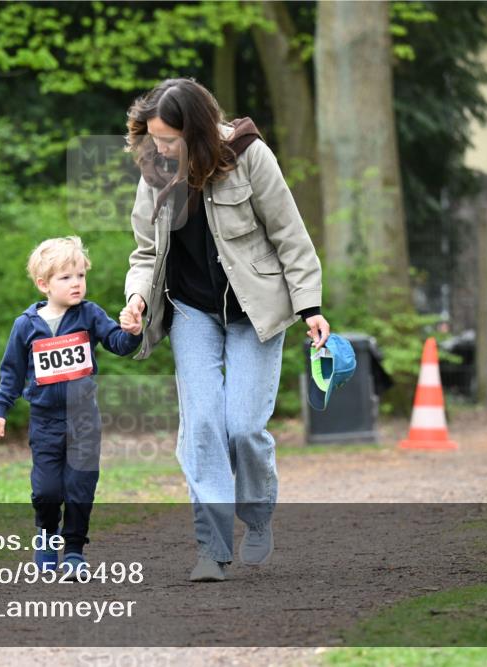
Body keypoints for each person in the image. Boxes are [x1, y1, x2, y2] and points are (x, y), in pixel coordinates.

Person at [117, 78, 330, 582]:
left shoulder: (251, 156)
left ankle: (256, 517)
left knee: (243, 426)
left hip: (256, 310)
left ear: (196, 129)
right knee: (203, 424)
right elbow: (146, 252)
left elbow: (290, 237)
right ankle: (210, 547)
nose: (160, 148)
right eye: (154, 138)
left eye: (169, 138)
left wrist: (311, 307)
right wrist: (137, 297)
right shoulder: (154, 171)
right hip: (191, 310)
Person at [0, 236, 142, 578]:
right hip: (45, 422)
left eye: (80, 276)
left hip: (84, 420)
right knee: (46, 492)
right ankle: (46, 535)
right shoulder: (25, 326)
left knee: (79, 487)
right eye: (66, 278)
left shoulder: (89, 315)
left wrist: (132, 331)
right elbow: (11, 372)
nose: (76, 283)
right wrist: (0, 411)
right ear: (44, 284)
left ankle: (73, 551)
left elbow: (118, 343)